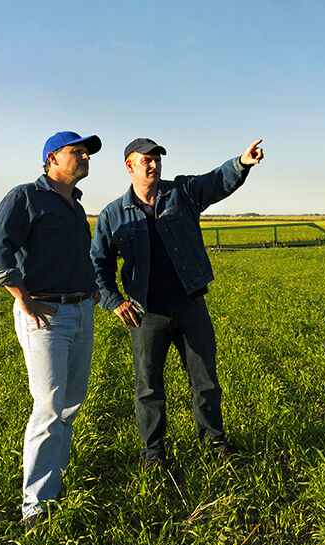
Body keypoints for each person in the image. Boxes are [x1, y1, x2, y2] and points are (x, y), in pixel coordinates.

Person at [90, 137, 263, 467]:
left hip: (190, 305)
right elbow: (98, 263)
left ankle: (215, 443)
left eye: (157, 159)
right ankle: (153, 453)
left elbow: (215, 182)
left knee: (205, 380)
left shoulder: (181, 193)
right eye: (147, 160)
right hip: (145, 314)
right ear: (129, 166)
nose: (154, 165)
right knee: (148, 387)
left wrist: (241, 163)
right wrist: (114, 302)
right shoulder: (113, 215)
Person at [0, 131, 102, 530]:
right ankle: (36, 505)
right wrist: (23, 297)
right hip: (46, 315)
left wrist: (91, 289)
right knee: (49, 406)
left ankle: (54, 481)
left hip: (80, 311)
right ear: (52, 158)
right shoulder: (26, 197)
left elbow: (77, 255)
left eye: (87, 153)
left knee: (70, 403)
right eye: (77, 152)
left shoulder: (75, 205)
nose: (85, 157)